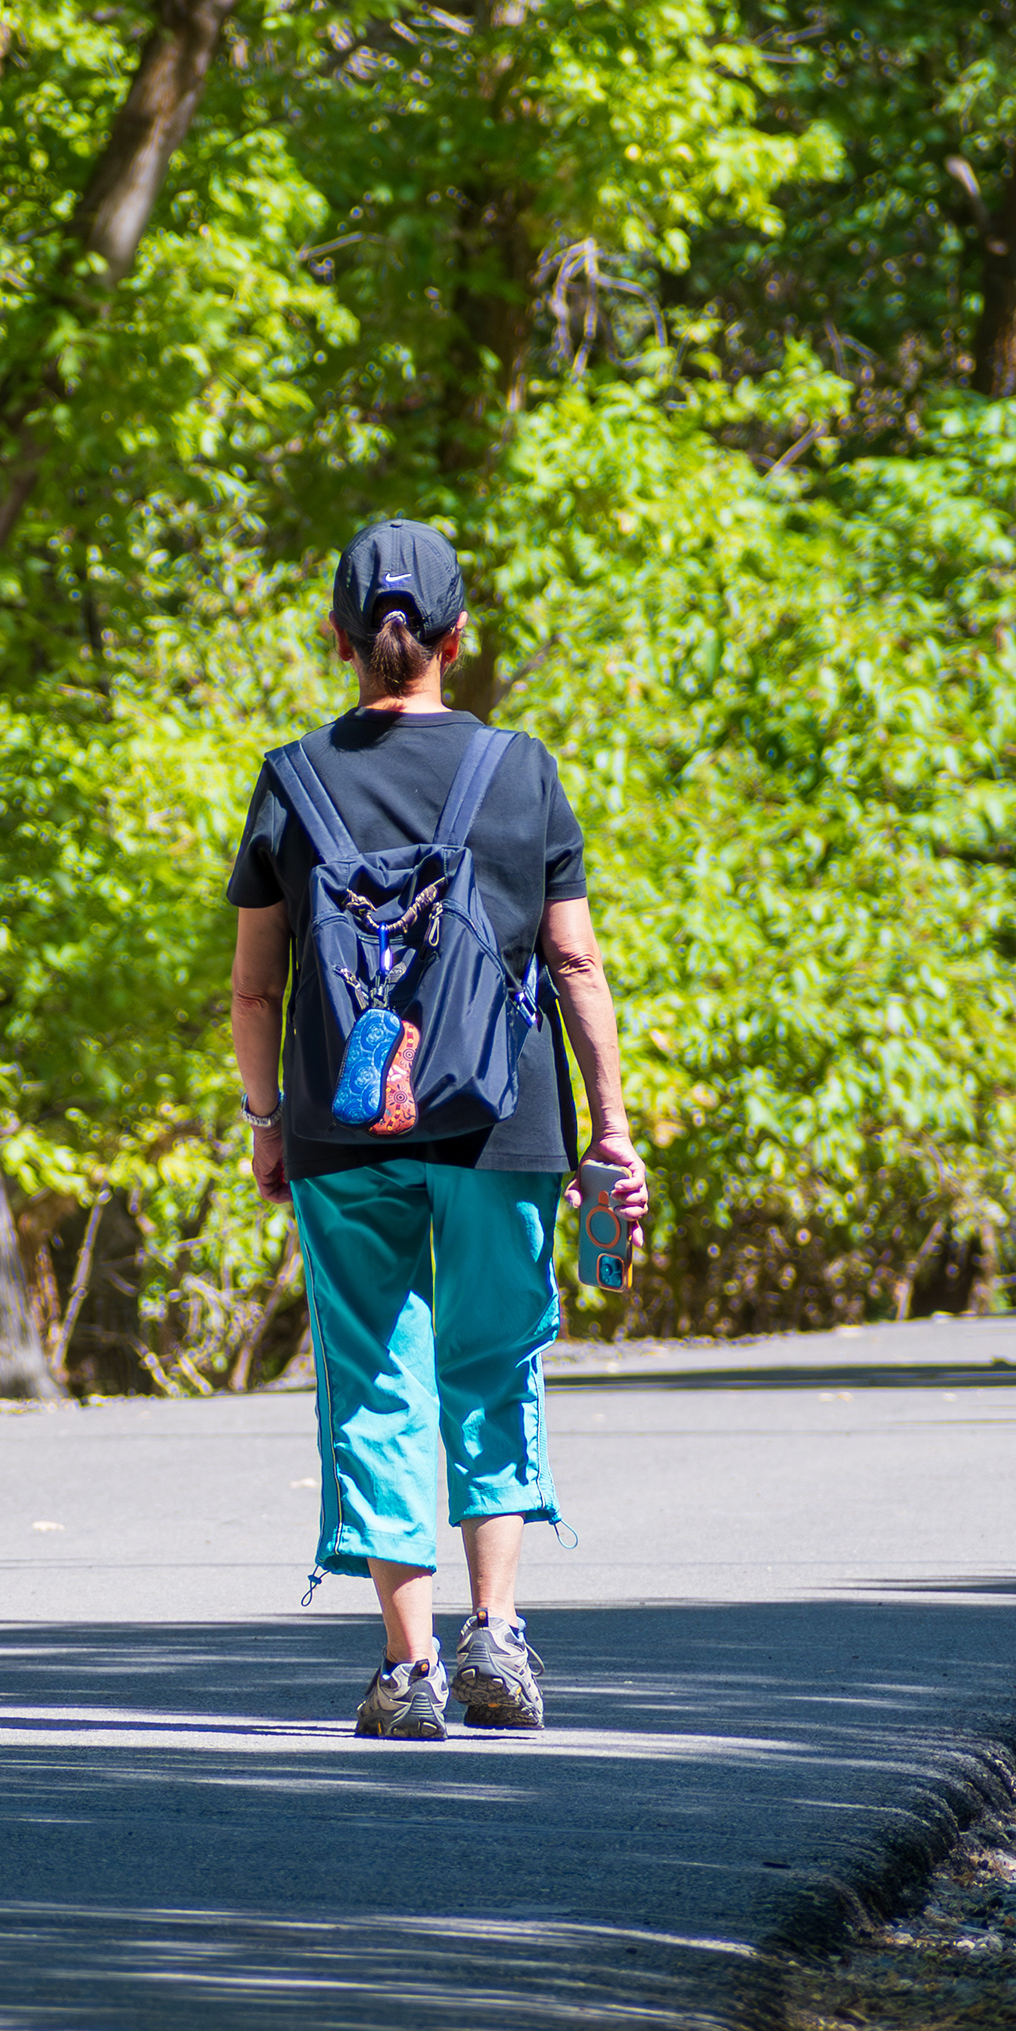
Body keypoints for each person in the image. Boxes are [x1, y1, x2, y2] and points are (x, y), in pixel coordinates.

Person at [224, 519, 651, 1740]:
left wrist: (268, 1120)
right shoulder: (522, 772)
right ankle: (497, 1637)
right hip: (503, 1124)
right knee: (490, 1363)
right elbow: (571, 959)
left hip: (341, 1125)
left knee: (373, 1375)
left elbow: (259, 987)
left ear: (339, 640)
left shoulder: (291, 777)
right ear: (458, 640)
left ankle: (405, 1667)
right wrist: (609, 1130)